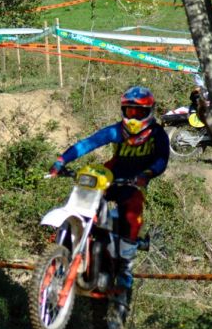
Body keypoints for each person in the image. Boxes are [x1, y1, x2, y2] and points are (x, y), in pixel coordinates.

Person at [48, 86, 170, 315]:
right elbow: (89, 143)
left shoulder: (157, 134)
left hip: (135, 181)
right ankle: (70, 243)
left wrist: (147, 174)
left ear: (149, 112)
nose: (133, 117)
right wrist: (62, 160)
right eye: (129, 111)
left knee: (132, 212)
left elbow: (162, 160)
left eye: (139, 112)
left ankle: (125, 269)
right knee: (84, 191)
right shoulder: (117, 131)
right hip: (112, 174)